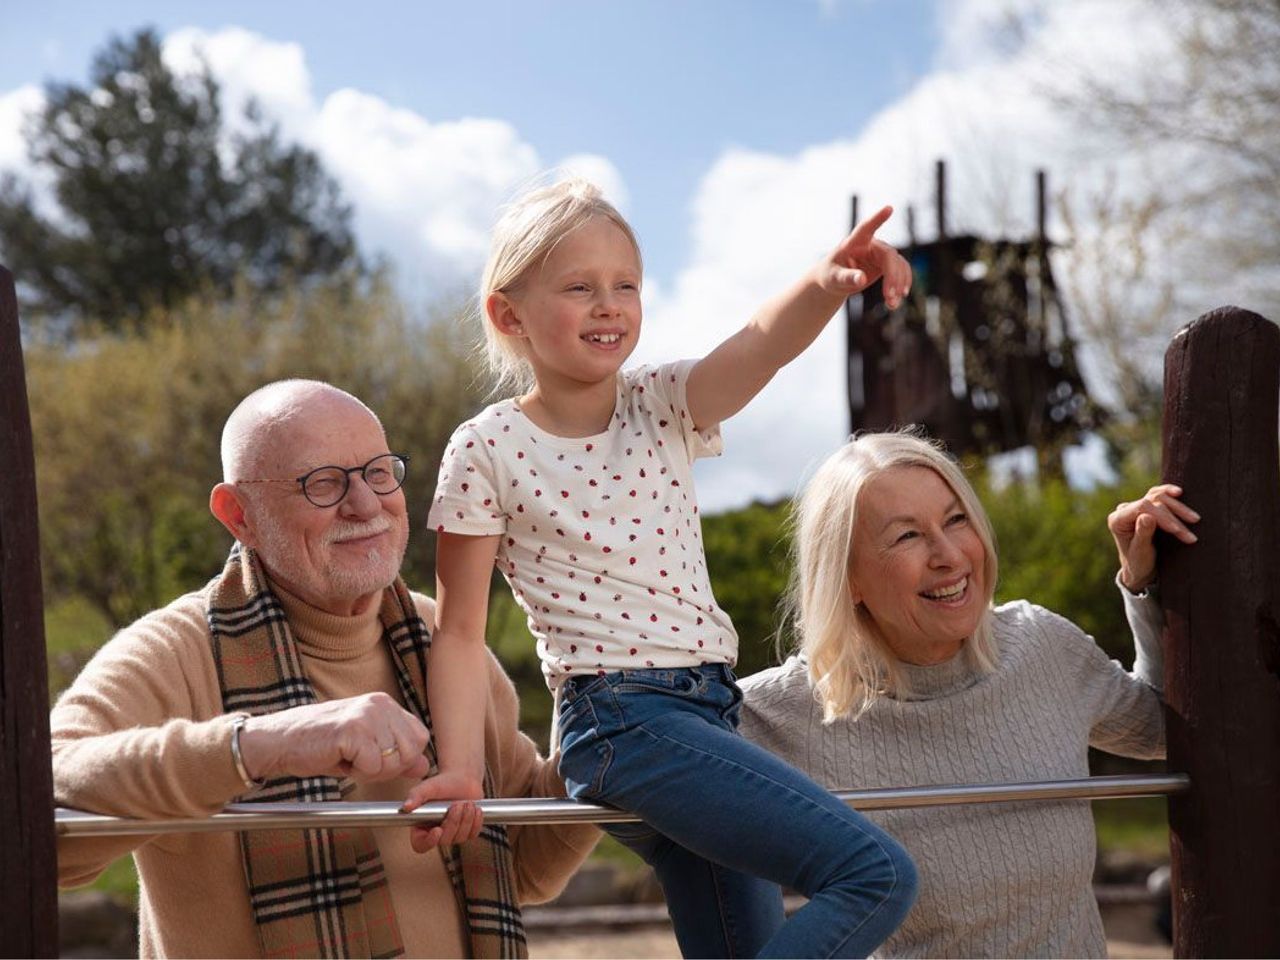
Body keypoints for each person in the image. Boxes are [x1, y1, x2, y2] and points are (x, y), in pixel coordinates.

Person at [406, 177, 918, 959]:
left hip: (710, 711)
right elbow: (461, 630)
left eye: (626, 286)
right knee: (874, 874)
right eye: (579, 287)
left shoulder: (664, 404)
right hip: (620, 722)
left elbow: (757, 344)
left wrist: (823, 284)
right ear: (509, 315)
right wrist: (462, 771)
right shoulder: (487, 449)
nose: (609, 304)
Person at [51, 379, 598, 959]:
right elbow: (39, 810)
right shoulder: (175, 651)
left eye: (379, 473)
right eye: (323, 483)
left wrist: (612, 736)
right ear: (239, 515)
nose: (365, 505)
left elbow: (526, 864)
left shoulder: (446, 642)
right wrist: (261, 745)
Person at [739, 429, 1198, 958]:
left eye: (956, 520)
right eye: (906, 536)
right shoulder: (790, 710)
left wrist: (1144, 583)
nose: (949, 554)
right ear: (848, 579)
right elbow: (633, 761)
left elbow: (1166, 733)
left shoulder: (1041, 646)